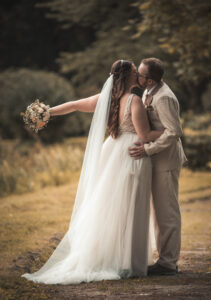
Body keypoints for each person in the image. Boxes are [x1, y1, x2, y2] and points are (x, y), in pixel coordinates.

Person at [21, 59, 163, 284]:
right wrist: (167, 130)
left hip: (112, 152)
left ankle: (111, 256)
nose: (138, 75)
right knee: (130, 205)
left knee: (109, 206)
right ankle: (127, 261)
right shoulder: (134, 101)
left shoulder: (106, 99)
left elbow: (75, 105)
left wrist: (46, 112)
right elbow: (145, 136)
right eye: (135, 72)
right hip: (131, 154)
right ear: (127, 77)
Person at [129, 58, 187, 276]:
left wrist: (147, 149)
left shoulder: (164, 98)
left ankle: (169, 264)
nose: (137, 77)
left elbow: (174, 132)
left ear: (149, 79)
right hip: (156, 159)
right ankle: (163, 259)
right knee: (158, 211)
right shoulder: (147, 91)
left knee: (167, 211)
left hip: (166, 161)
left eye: (140, 75)